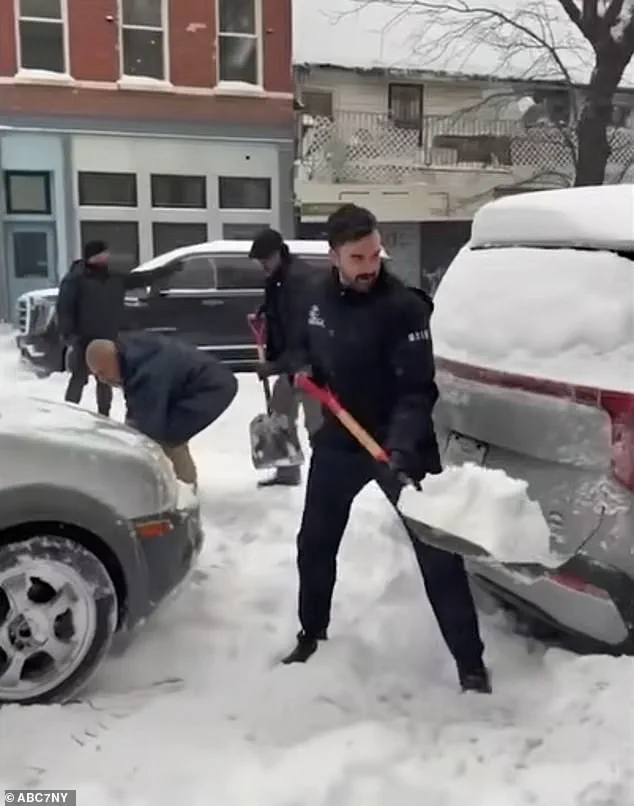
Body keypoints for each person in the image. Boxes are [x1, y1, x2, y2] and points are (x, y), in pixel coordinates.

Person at [281, 204, 491, 694]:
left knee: (437, 553)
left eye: (375, 254)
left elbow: (417, 390)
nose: (370, 265)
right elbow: (298, 345)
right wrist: (301, 368)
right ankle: (311, 633)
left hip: (400, 442)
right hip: (339, 437)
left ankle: (470, 664)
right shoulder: (312, 296)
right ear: (334, 255)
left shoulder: (404, 307)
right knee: (315, 542)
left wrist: (399, 448)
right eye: (358, 257)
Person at [85, 332, 238, 487]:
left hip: (211, 387)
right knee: (162, 433)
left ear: (111, 358)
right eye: (96, 375)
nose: (102, 380)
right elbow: (137, 405)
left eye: (102, 372)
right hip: (187, 385)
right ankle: (170, 485)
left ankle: (184, 494)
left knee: (168, 437)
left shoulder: (147, 371)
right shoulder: (131, 357)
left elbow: (147, 424)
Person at [249, 228, 323, 487]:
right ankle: (287, 471)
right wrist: (264, 312)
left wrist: (274, 366)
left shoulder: (300, 280)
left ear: (279, 253)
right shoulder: (278, 277)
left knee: (318, 426)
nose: (263, 266)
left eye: (265, 260)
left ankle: (328, 477)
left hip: (312, 366)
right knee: (280, 414)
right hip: (291, 364)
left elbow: (301, 333)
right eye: (260, 262)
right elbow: (279, 307)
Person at [55, 240, 163, 417]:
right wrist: (69, 335)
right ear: (93, 256)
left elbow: (138, 279)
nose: (108, 257)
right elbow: (65, 308)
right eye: (103, 254)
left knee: (105, 379)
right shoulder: (76, 279)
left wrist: (163, 271)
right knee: (79, 379)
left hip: (107, 336)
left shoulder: (113, 277)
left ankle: (104, 415)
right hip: (84, 339)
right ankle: (69, 415)